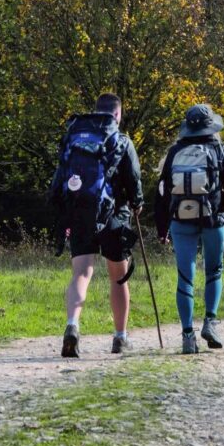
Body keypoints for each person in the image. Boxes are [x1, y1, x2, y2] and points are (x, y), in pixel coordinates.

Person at [50, 92, 143, 358]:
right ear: (117, 114)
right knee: (118, 277)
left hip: (80, 211)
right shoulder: (122, 140)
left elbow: (59, 177)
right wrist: (137, 203)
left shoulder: (74, 137)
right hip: (113, 216)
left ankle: (72, 325)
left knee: (81, 272)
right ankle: (120, 337)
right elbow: (134, 180)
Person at [155, 103, 224, 354]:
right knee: (214, 270)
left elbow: (161, 194)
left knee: (185, 277)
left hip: (180, 221)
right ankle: (210, 323)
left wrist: (163, 229)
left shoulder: (174, 152)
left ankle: (187, 336)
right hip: (213, 220)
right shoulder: (220, 150)